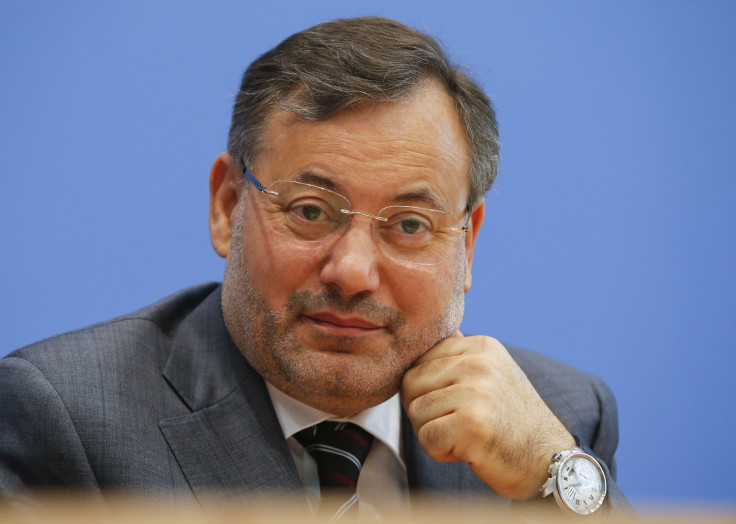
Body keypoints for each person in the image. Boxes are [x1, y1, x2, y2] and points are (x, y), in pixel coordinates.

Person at [0, 16, 632, 520]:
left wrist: (559, 480)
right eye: (310, 211)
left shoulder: (562, 417)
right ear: (227, 208)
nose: (352, 272)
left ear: (467, 245)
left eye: (410, 225)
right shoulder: (63, 418)